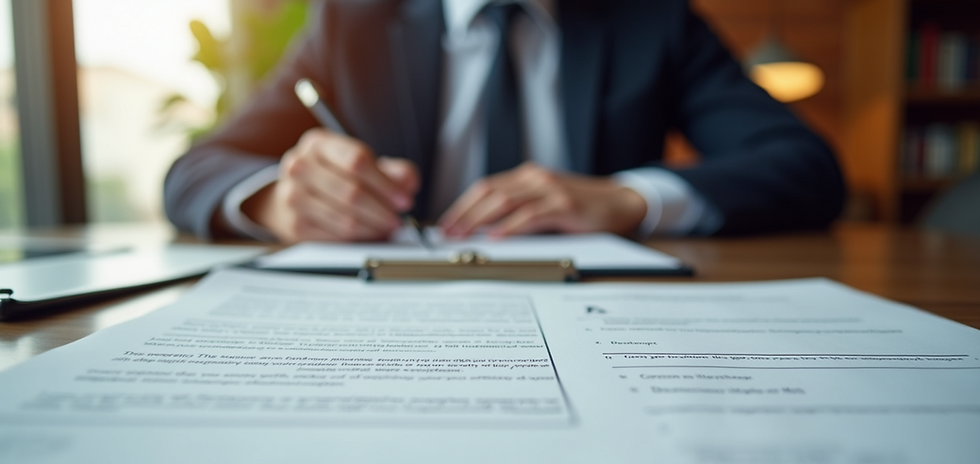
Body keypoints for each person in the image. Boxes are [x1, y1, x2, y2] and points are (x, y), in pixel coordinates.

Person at [164, 0, 846, 243]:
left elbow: (804, 166)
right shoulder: (353, 20)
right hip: (388, 332)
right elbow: (197, 170)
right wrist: (279, 199)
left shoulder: (653, 19)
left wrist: (628, 198)